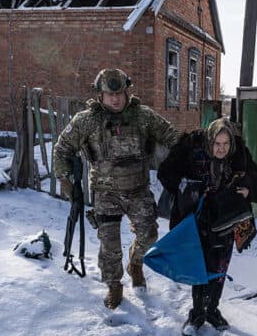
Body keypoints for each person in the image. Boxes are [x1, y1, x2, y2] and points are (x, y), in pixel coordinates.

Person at [53, 68, 180, 309]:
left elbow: (171, 135)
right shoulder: (87, 120)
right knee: (109, 244)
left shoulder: (143, 116)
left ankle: (136, 263)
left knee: (149, 234)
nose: (115, 99)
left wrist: (185, 155)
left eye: (120, 93)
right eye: (110, 95)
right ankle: (114, 284)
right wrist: (65, 179)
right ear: (100, 95)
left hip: (138, 190)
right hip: (105, 192)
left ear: (126, 92)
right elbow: (62, 149)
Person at [157, 118, 257, 336]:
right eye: (217, 144)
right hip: (196, 219)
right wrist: (184, 187)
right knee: (201, 265)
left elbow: (255, 179)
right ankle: (197, 313)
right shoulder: (192, 146)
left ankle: (213, 310)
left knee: (220, 266)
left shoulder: (239, 151)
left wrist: (246, 189)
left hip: (225, 218)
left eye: (225, 144)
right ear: (210, 139)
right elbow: (166, 172)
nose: (221, 149)